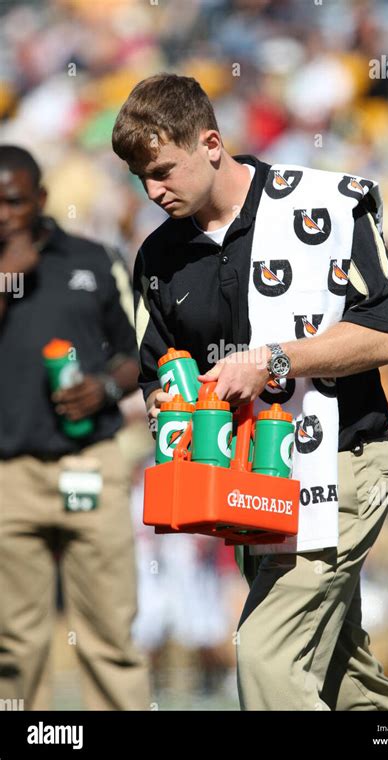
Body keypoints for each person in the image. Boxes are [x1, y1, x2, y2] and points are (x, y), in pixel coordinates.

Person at [112, 73, 388, 711]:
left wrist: (275, 360)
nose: (153, 191)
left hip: (339, 460)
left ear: (211, 143)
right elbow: (154, 379)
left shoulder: (328, 203)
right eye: (141, 178)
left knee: (266, 655)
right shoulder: (157, 258)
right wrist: (173, 417)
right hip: (245, 486)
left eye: (165, 170)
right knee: (340, 679)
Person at [0, 146, 150, 710]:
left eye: (12, 201)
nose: (2, 215)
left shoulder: (94, 257)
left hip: (91, 462)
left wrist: (106, 387)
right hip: (8, 474)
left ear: (40, 199)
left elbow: (143, 353)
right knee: (14, 642)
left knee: (110, 632)